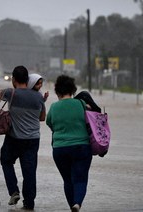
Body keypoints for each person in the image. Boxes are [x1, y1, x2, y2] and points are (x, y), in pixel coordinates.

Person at [0, 65, 46, 210]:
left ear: (14, 79)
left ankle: (13, 191)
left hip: (14, 138)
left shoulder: (11, 93)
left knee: (6, 161)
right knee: (29, 171)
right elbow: (42, 118)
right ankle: (29, 204)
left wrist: (9, 90)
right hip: (33, 139)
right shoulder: (39, 97)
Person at [46, 75, 92, 212]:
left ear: (57, 91)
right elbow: (92, 119)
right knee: (80, 179)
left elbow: (50, 123)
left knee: (67, 180)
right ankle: (77, 203)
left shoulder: (54, 107)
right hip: (81, 147)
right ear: (73, 90)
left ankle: (71, 205)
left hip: (60, 149)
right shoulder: (81, 104)